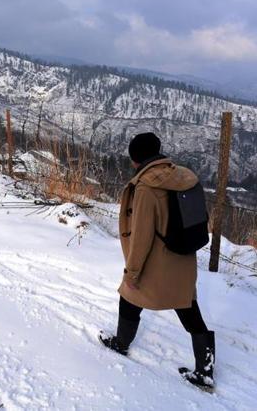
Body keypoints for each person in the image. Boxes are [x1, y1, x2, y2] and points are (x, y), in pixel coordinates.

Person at [99, 132, 215, 389]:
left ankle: (121, 343)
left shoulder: (147, 187)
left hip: (156, 262)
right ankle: (205, 370)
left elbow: (141, 236)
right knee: (187, 305)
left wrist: (132, 271)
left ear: (135, 159)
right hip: (183, 259)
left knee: (129, 294)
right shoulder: (184, 177)